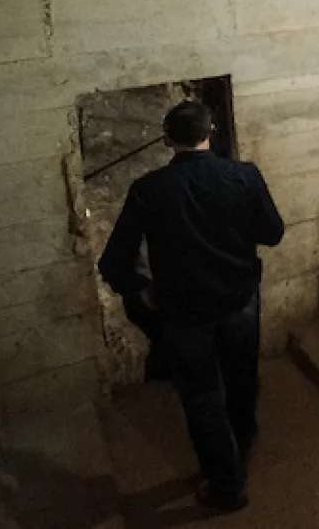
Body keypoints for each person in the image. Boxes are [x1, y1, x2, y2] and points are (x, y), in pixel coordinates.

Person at [99, 100, 285, 513]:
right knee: (241, 377)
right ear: (211, 131)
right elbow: (272, 233)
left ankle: (226, 483)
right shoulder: (244, 176)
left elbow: (113, 262)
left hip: (184, 312)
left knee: (202, 396)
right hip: (238, 299)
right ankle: (242, 445)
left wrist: (141, 290)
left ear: (168, 140)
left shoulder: (148, 190)